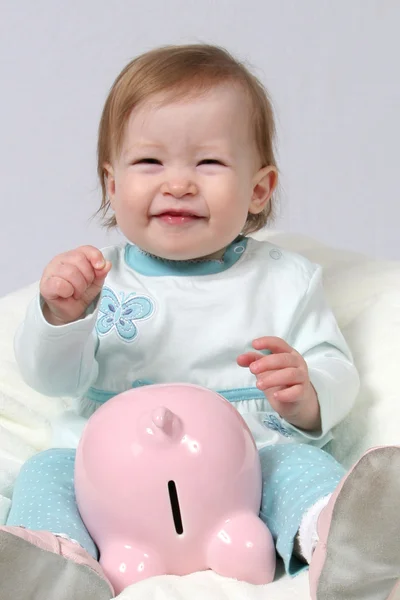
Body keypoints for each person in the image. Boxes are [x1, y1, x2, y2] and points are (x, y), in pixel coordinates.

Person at [1, 44, 399, 600]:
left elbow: (335, 366)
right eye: (149, 163)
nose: (179, 183)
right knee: (46, 471)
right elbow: (51, 381)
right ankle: (53, 559)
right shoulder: (98, 280)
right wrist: (62, 317)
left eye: (208, 162)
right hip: (109, 478)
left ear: (259, 189)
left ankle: (335, 539)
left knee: (300, 467)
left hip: (245, 471)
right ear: (112, 185)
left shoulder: (285, 279)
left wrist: (306, 390)